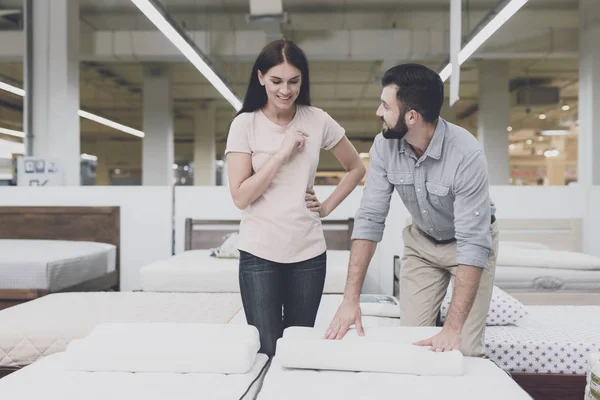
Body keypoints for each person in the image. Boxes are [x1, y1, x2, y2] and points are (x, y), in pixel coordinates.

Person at [324, 63, 498, 358]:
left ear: (412, 117)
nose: (379, 112)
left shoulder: (466, 155)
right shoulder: (384, 147)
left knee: (463, 348)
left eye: (385, 106)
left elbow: (472, 244)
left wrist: (453, 328)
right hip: (422, 244)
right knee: (412, 344)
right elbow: (369, 219)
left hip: (468, 246)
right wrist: (350, 300)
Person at [225, 39, 366, 356]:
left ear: (303, 80)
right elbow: (240, 196)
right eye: (276, 81)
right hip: (259, 253)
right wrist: (281, 154)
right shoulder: (244, 125)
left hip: (308, 254)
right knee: (267, 349)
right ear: (261, 77)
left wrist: (326, 206)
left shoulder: (317, 119)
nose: (285, 90)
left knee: (297, 350)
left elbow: (356, 168)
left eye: (293, 81)